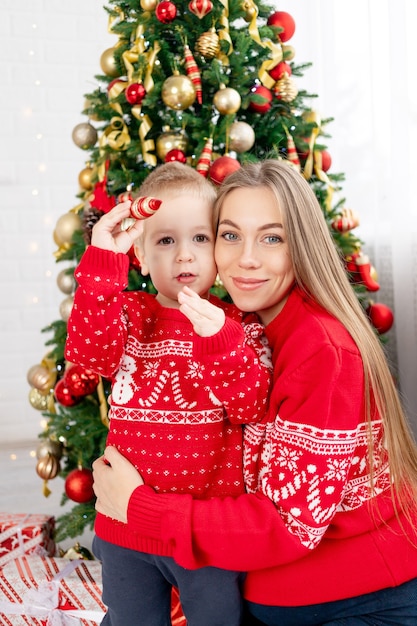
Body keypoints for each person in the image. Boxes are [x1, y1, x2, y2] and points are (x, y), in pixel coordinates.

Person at [92, 159, 417, 626]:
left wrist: (139, 507)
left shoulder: (322, 350)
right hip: (264, 596)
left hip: (359, 604)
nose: (246, 258)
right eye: (229, 235)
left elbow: (290, 524)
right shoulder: (239, 330)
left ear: (301, 247)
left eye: (272, 237)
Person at [64, 161, 271, 626]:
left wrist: (219, 341)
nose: (184, 256)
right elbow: (91, 353)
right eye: (165, 240)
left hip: (204, 533)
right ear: (139, 252)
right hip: (124, 532)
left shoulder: (238, 325)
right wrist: (103, 258)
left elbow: (250, 404)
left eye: (200, 238)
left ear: (219, 248)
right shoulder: (131, 315)